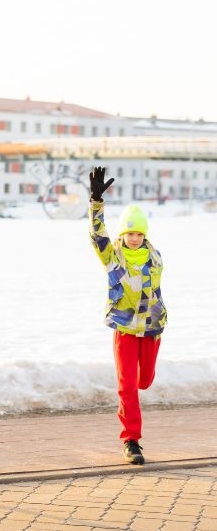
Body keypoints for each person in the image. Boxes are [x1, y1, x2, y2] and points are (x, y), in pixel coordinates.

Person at [88, 166, 166, 465]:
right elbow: (97, 235)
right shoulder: (114, 256)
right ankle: (131, 440)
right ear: (123, 234)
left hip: (151, 327)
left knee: (143, 381)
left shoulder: (155, 256)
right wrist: (96, 202)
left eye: (138, 233)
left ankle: (141, 386)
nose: (133, 238)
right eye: (129, 233)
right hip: (124, 327)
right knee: (127, 386)